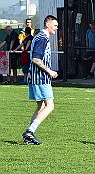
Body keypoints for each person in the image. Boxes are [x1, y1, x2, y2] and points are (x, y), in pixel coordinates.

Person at [21, 15, 59, 145]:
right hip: (40, 77)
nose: (56, 28)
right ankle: (29, 132)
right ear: (47, 25)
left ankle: (29, 136)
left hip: (35, 77)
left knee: (41, 106)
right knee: (50, 105)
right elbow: (36, 59)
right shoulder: (42, 38)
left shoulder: (39, 36)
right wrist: (50, 71)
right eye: (55, 25)